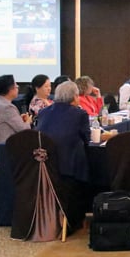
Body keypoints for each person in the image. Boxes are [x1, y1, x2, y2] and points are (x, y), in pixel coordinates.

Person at [36, 81, 90, 232]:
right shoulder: (80, 114)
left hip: (45, 164)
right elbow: (87, 139)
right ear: (74, 96)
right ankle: (75, 220)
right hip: (68, 167)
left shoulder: (44, 112)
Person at [0, 75, 32, 167]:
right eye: (15, 85)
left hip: (0, 151)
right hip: (8, 153)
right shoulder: (7, 107)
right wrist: (28, 121)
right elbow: (24, 130)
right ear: (10, 89)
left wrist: (19, 119)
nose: (18, 87)